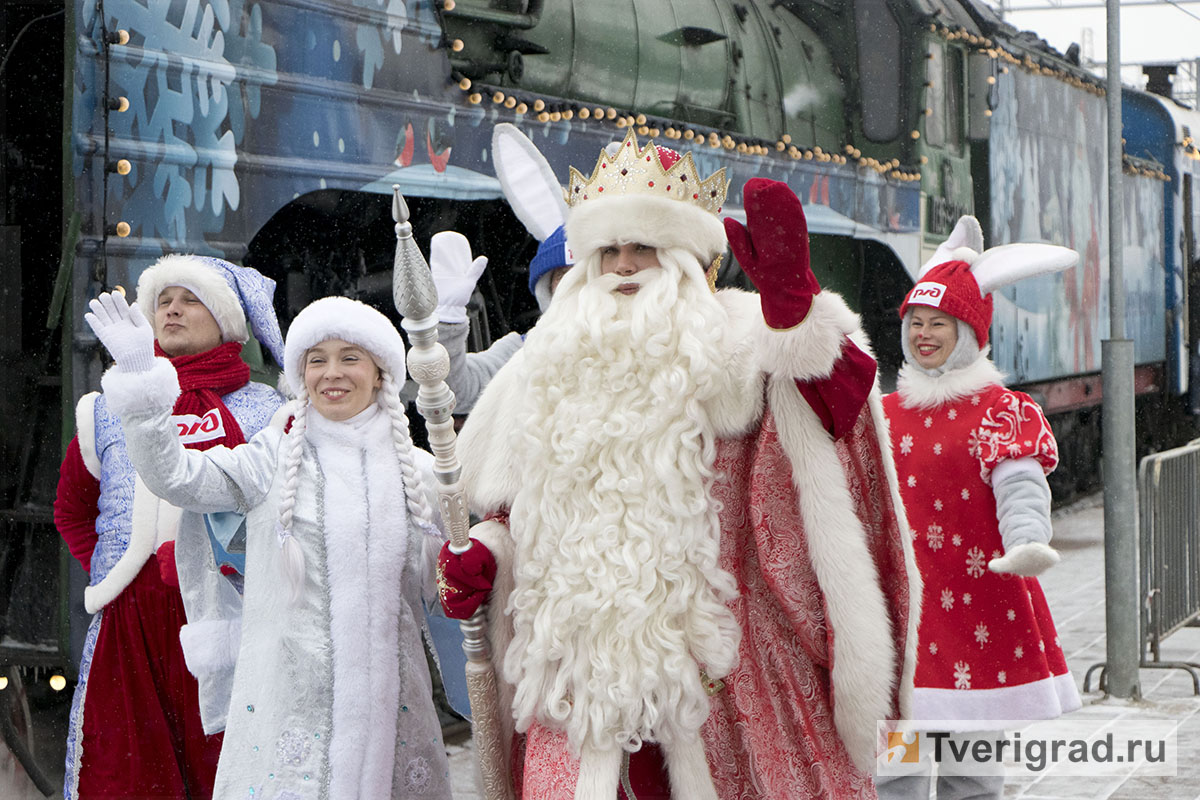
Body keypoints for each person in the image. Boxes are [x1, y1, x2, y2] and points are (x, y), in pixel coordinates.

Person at [438, 130, 921, 799]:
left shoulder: (739, 339)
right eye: (610, 250)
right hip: (584, 691)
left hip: (725, 671)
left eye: (647, 248)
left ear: (689, 261)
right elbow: (509, 512)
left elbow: (840, 416)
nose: (627, 266)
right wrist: (489, 557)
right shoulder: (541, 368)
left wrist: (799, 319)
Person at [82, 292, 454, 799]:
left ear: (380, 373)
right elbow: (178, 478)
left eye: (350, 358)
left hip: (393, 714)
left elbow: (450, 590)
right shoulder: (272, 457)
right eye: (317, 361)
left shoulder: (425, 476)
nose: (332, 373)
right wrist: (144, 390)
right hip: (289, 715)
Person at [54, 255, 287, 800]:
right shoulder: (105, 410)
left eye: (190, 299)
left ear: (226, 319)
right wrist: (117, 571)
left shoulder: (265, 411)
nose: (173, 310)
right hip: (127, 628)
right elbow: (71, 510)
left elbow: (281, 517)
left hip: (231, 623)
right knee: (124, 779)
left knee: (229, 779)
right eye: (163, 300)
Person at [877, 217, 1082, 799]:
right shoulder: (884, 413)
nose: (923, 334)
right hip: (902, 614)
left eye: (938, 322)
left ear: (968, 330)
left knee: (970, 772)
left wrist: (1025, 542)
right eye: (915, 322)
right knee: (895, 769)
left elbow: (1021, 487)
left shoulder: (1000, 411)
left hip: (976, 607)